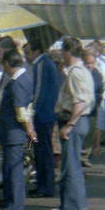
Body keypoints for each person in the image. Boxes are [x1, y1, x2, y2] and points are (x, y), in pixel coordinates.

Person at [52, 36, 95, 210]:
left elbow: (80, 102)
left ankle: (71, 206)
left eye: (63, 52)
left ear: (68, 53)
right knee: (74, 164)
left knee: (69, 166)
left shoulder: (75, 73)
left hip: (74, 121)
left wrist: (69, 125)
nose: (62, 55)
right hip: (81, 121)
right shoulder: (83, 71)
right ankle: (78, 202)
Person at [0, 48, 36, 210]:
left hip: (13, 132)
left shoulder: (17, 83)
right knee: (12, 168)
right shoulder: (26, 78)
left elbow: (20, 110)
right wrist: (30, 128)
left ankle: (14, 204)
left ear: (6, 63)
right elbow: (29, 107)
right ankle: (10, 201)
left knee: (13, 170)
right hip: (16, 132)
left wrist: (29, 130)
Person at [24, 39, 60, 198]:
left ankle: (45, 187)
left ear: (36, 51)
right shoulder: (47, 63)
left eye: (28, 52)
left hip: (43, 115)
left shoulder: (41, 64)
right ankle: (44, 185)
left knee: (43, 151)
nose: (26, 56)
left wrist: (31, 112)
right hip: (48, 113)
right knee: (43, 151)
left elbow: (39, 91)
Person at [81, 48, 104, 167]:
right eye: (87, 62)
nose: (89, 65)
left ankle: (85, 156)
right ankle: (80, 155)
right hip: (80, 109)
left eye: (91, 63)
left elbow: (100, 92)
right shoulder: (79, 72)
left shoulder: (97, 74)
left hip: (93, 109)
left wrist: (96, 104)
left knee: (90, 132)